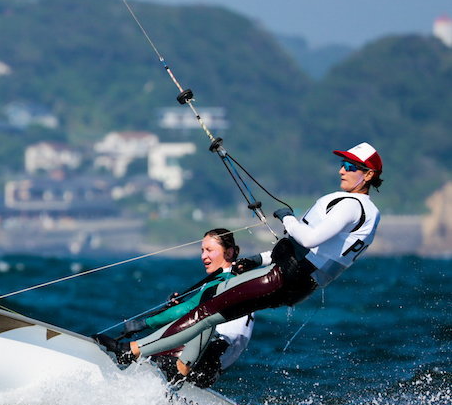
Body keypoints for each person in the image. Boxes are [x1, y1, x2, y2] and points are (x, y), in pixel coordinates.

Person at [125, 141, 383, 362]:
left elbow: (308, 238)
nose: (341, 170)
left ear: (368, 175)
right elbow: (313, 251)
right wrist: (256, 260)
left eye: (350, 167)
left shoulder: (351, 205)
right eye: (342, 164)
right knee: (212, 314)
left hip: (286, 276)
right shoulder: (370, 214)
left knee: (207, 308)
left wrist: (287, 218)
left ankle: (132, 351)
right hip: (299, 283)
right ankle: (180, 368)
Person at [98, 228, 254, 388]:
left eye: (209, 250)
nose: (203, 256)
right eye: (202, 251)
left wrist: (142, 324)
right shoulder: (241, 280)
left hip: (200, 360)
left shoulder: (224, 280)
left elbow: (189, 309)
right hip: (211, 370)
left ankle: (125, 356)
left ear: (228, 253)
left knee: (149, 352)